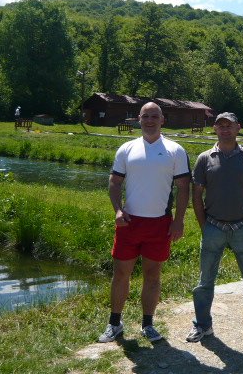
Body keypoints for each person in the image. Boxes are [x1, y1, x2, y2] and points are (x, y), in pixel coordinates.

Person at [98, 102, 191, 343]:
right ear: (138, 119)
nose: (150, 120)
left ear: (163, 120)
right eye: (145, 116)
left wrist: (179, 221)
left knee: (153, 274)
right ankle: (115, 323)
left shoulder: (175, 150)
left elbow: (183, 188)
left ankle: (148, 324)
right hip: (129, 222)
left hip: (160, 223)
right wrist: (118, 210)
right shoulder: (127, 149)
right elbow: (115, 182)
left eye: (154, 116)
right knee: (121, 273)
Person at [186, 112, 243, 344]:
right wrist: (203, 225)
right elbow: (196, 194)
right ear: (215, 129)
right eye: (220, 125)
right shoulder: (205, 158)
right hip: (213, 227)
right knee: (205, 282)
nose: (225, 129)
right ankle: (202, 326)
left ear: (238, 128)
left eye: (229, 125)